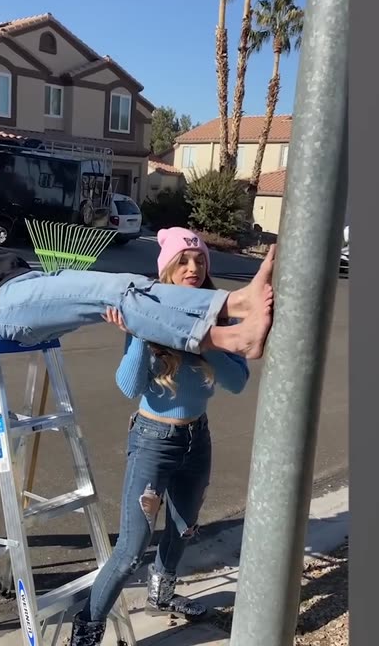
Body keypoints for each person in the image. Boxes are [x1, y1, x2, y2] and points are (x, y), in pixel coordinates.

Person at [65, 228, 248, 645]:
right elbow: (129, 386)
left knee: (183, 528)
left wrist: (206, 339)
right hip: (153, 440)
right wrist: (143, 337)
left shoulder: (218, 316)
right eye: (183, 260)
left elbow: (238, 382)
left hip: (196, 439)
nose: (193, 268)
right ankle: (88, 627)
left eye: (200, 261)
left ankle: (161, 596)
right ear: (165, 267)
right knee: (131, 549)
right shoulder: (146, 312)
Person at [0, 179, 277, 360]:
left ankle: (230, 315)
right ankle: (233, 320)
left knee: (129, 283)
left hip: (27, 284)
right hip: (0, 306)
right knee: (114, 292)